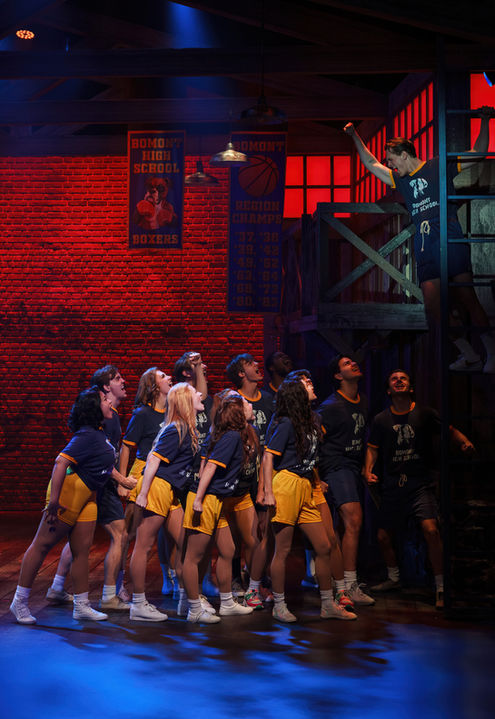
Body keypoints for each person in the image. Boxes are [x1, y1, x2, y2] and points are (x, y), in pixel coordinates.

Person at [344, 109, 495, 373]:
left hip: (448, 236)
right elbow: (370, 163)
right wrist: (354, 135)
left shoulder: (438, 166)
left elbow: (478, 152)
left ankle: (492, 352)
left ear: (404, 154)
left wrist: (484, 121)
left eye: (392, 160)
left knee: (467, 297)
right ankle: (470, 355)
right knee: (434, 307)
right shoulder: (400, 180)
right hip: (425, 244)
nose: (391, 165)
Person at [10, 387, 136, 624]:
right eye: (104, 399)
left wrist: (122, 480)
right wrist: (54, 501)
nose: (109, 402)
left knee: (81, 551)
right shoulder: (87, 434)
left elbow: (104, 465)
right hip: (69, 494)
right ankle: (19, 602)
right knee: (42, 545)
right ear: (93, 408)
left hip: (88, 496)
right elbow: (60, 462)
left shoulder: (98, 432)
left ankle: (82, 606)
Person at [363, 368, 475, 609]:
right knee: (382, 536)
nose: (399, 381)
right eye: (394, 379)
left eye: (403, 378)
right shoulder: (381, 419)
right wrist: (367, 469)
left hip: (420, 484)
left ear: (411, 387)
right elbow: (372, 447)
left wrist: (464, 442)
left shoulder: (424, 414)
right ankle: (394, 578)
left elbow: (449, 430)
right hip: (393, 485)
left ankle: (441, 586)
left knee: (431, 530)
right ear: (388, 390)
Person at [261, 370, 357, 623]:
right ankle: (279, 605)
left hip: (305, 485)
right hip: (286, 484)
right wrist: (267, 491)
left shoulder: (312, 419)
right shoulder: (286, 422)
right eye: (306, 384)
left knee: (324, 546)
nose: (312, 385)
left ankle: (328, 604)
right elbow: (268, 456)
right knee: (282, 549)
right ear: (297, 393)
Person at [45, 365, 130, 610]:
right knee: (120, 534)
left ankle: (58, 586)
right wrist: (121, 480)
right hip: (99, 483)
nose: (123, 381)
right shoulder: (106, 418)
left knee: (79, 539)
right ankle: (110, 594)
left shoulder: (111, 416)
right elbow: (100, 457)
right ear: (106, 387)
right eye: (117, 378)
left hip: (97, 483)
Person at [129, 382, 205, 622]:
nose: (200, 394)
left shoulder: (186, 428)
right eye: (194, 392)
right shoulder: (176, 429)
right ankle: (138, 604)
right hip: (157, 488)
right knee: (143, 546)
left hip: (170, 491)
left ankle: (186, 600)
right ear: (185, 401)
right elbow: (153, 459)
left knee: (185, 543)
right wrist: (143, 494)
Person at [181, 393, 256, 623]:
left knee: (228, 550)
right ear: (238, 412)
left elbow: (205, 457)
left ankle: (227, 603)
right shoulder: (232, 436)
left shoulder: (227, 434)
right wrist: (198, 499)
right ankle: (194, 609)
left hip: (217, 500)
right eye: (245, 404)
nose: (250, 405)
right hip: (207, 499)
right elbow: (211, 466)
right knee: (193, 556)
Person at [317, 355, 374, 606]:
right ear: (338, 376)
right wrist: (316, 475)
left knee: (346, 525)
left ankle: (340, 582)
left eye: (353, 361)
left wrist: (366, 467)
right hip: (335, 466)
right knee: (353, 519)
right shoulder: (330, 407)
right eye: (346, 364)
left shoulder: (363, 401)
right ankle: (349, 585)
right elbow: (314, 439)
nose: (353, 364)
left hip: (353, 467)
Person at [119, 367, 172, 593]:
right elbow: (126, 447)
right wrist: (122, 481)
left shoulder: (172, 411)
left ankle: (171, 579)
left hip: (166, 474)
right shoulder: (142, 414)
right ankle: (116, 584)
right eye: (163, 376)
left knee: (169, 531)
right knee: (130, 532)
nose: (169, 377)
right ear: (153, 386)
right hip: (142, 472)